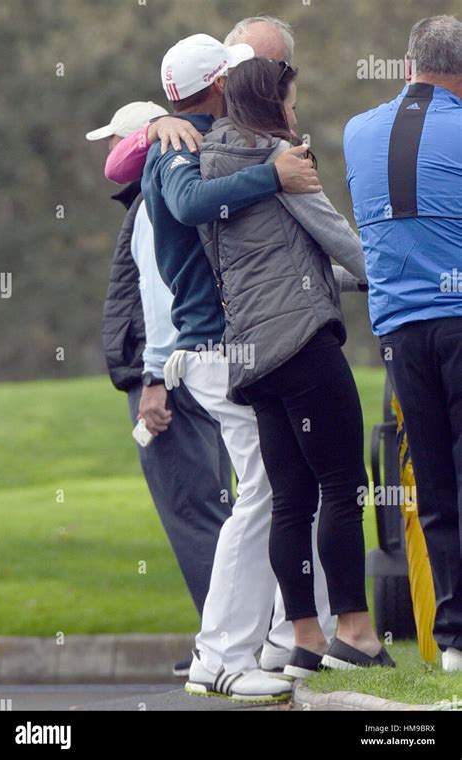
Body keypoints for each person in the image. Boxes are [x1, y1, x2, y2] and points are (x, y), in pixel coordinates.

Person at [140, 30, 338, 703]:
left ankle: (288, 635)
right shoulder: (179, 143)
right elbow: (193, 205)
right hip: (218, 349)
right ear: (221, 83)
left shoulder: (190, 132)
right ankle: (221, 654)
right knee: (266, 495)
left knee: (283, 491)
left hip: (233, 346)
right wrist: (274, 175)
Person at [194, 57, 394, 675]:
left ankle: (305, 639)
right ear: (270, 104)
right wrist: (397, 276)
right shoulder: (282, 162)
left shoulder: (212, 166)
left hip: (252, 356)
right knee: (343, 486)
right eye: (291, 101)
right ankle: (356, 633)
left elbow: (270, 270)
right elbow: (338, 238)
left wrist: (354, 285)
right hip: (303, 346)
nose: (295, 113)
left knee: (291, 500)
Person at [86, 101, 233, 677]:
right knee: (214, 507)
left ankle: (225, 643)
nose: (107, 154)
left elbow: (163, 304)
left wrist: (152, 382)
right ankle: (230, 635)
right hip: (191, 370)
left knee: (193, 512)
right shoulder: (162, 197)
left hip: (170, 379)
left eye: (114, 142)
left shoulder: (152, 201)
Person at [344, 15, 462, 672]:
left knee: (435, 482)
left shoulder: (357, 131)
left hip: (399, 333)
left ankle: (453, 642)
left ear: (408, 63)